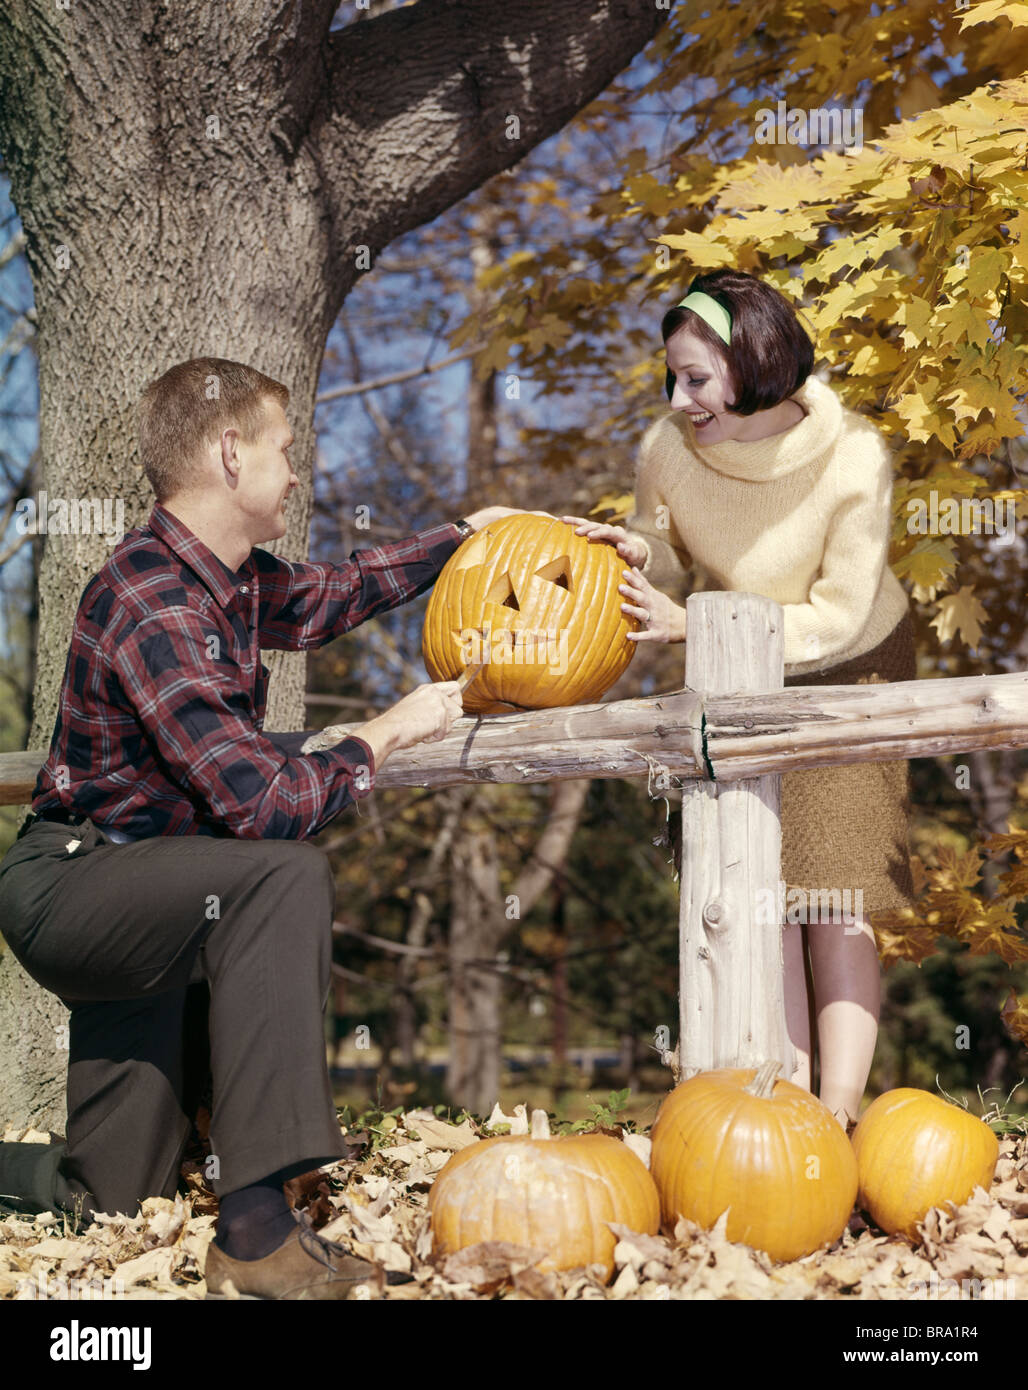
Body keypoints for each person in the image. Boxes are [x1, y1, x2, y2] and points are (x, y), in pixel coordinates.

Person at [0, 356, 542, 1300]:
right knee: (284, 869)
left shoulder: (234, 581)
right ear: (228, 454)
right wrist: (382, 733)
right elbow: (262, 805)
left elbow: (333, 594)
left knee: (110, 1198)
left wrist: (461, 541)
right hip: (78, 887)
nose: (299, 473)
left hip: (156, 894)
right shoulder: (151, 597)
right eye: (286, 452)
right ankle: (255, 1237)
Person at [561, 268, 916, 1128]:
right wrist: (643, 557)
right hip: (730, 655)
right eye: (672, 376)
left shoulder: (854, 456)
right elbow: (669, 544)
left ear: (756, 363)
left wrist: (699, 620)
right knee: (760, 889)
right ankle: (783, 1111)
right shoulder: (668, 447)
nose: (679, 398)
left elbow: (836, 614)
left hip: (849, 661)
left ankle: (836, 1120)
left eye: (696, 378)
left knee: (831, 895)